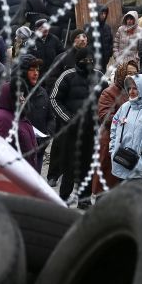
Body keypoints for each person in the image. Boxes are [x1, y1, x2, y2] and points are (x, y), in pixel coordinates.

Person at [50, 47, 103, 203]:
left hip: (92, 130)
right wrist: (69, 119)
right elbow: (54, 99)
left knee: (89, 165)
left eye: (90, 60)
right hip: (71, 131)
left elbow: (106, 99)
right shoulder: (68, 76)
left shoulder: (99, 77)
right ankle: (64, 197)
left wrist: (100, 119)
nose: (88, 63)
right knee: (69, 165)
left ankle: (84, 199)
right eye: (84, 60)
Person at [93, 60, 139, 194]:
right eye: (129, 73)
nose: (132, 76)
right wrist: (128, 121)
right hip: (112, 142)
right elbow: (105, 117)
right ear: (121, 73)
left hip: (132, 145)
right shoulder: (109, 92)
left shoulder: (138, 92)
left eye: (135, 73)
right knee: (108, 184)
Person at [0, 61, 41, 172]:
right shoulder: (1, 119)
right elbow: (0, 156)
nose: (22, 98)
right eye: (19, 95)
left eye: (23, 94)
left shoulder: (17, 115)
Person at [86, 5, 114, 71]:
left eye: (105, 13)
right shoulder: (90, 28)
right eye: (101, 13)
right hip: (94, 61)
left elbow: (110, 42)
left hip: (105, 60)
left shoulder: (107, 27)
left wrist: (109, 53)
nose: (103, 15)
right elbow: (88, 44)